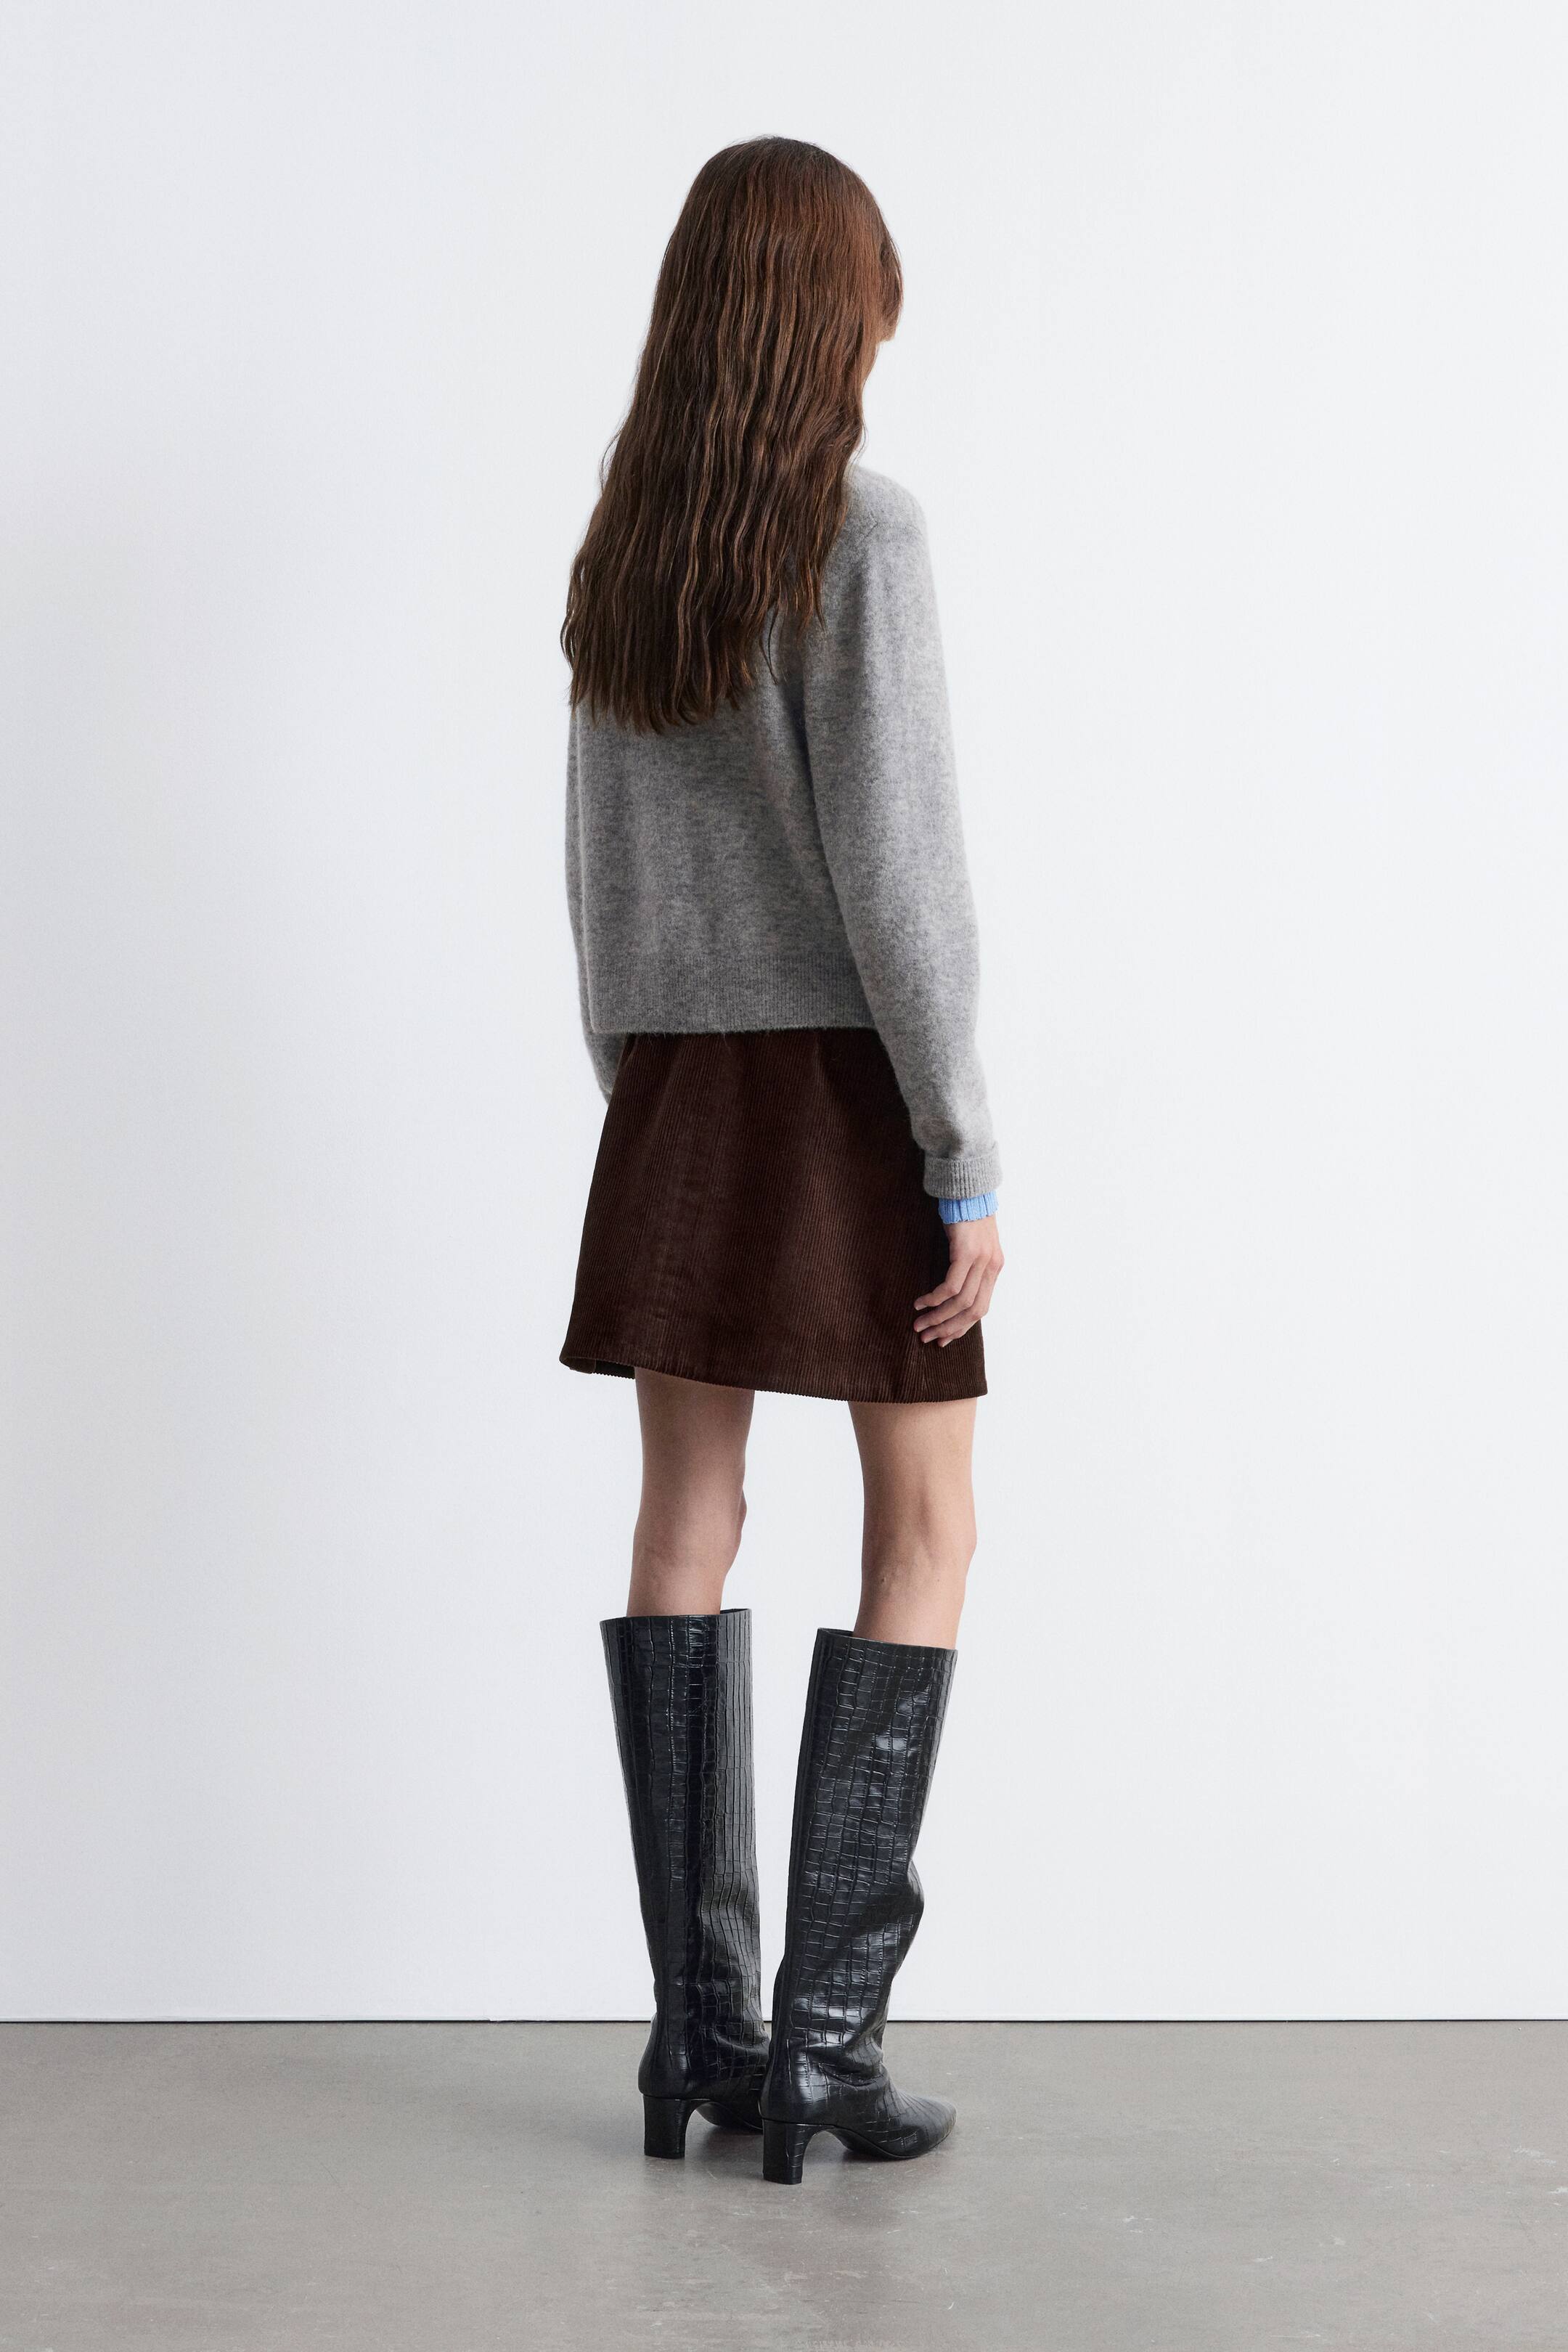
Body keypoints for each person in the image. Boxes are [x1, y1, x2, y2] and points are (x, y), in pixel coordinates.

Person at [558, 136, 1003, 2187]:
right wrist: (959, 1148)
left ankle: (700, 2042)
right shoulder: (863, 533)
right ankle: (824, 2050)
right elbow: (900, 879)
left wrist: (637, 1085)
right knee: (927, 1521)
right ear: (833, 319)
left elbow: (595, 864)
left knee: (686, 1517)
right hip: (841, 1089)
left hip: (673, 1089)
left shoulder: (631, 545)